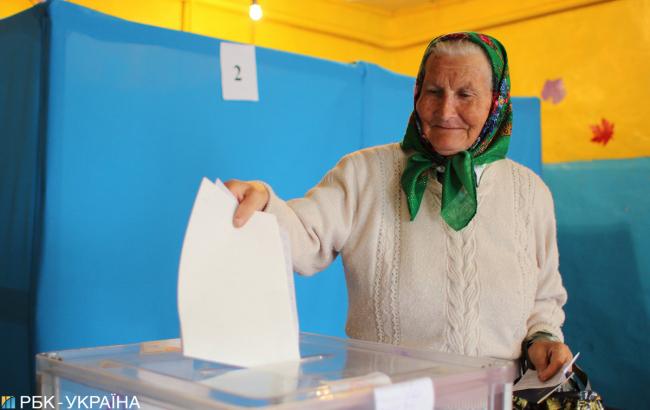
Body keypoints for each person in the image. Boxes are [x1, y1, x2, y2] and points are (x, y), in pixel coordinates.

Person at [225, 32, 572, 382]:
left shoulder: (530, 193)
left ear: (496, 103)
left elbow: (544, 297)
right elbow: (304, 237)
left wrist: (543, 337)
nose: (445, 110)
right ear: (418, 94)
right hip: (388, 399)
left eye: (465, 94)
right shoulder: (365, 173)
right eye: (434, 91)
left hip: (496, 400)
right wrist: (264, 204)